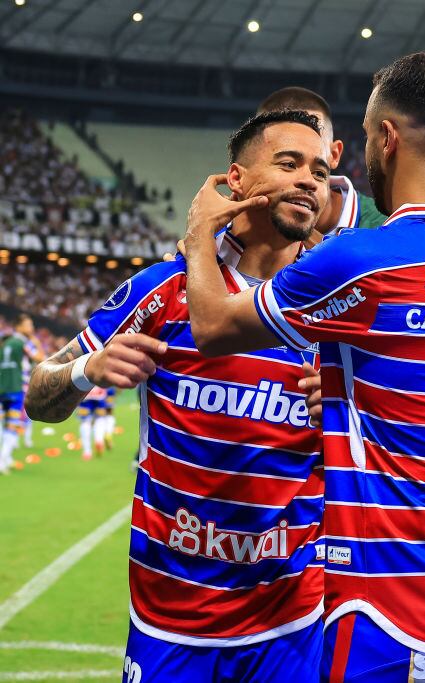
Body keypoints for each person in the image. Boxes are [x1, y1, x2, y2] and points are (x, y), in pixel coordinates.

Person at [181, 51, 425, 683]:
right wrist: (352, 393)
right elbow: (419, 370)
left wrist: (195, 237)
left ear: (385, 138)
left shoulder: (362, 259)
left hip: (399, 604)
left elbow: (212, 326)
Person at [26, 109, 333, 681]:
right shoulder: (163, 291)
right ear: (234, 180)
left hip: (291, 621)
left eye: (318, 170)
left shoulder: (336, 306)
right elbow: (38, 396)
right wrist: (87, 369)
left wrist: (348, 411)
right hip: (170, 620)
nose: (307, 180)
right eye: (288, 164)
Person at [257, 86, 388, 235]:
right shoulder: (237, 224)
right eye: (288, 162)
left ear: (334, 154)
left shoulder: (384, 228)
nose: (304, 178)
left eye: (313, 142)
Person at [0, 314, 44, 474]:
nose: (31, 328)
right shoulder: (22, 342)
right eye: (28, 325)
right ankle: (2, 460)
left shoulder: (5, 343)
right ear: (18, 327)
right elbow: (40, 358)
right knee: (12, 424)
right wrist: (37, 343)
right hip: (15, 388)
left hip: (2, 387)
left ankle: (7, 458)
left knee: (2, 424)